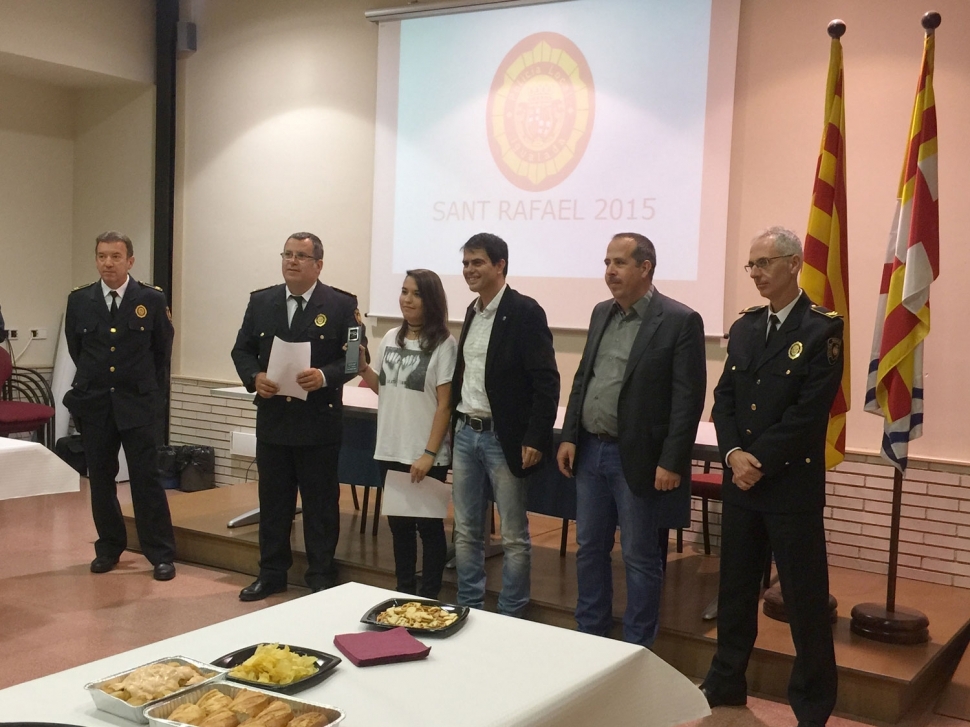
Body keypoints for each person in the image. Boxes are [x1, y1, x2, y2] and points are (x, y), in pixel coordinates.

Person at [700, 227, 843, 727]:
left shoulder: (821, 329)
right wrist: (733, 453)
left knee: (805, 602)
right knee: (735, 593)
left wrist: (754, 461)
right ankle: (725, 682)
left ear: (794, 263)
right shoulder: (745, 327)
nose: (756, 273)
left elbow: (808, 415)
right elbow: (724, 398)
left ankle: (813, 705)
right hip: (743, 484)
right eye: (752, 265)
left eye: (765, 263)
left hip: (788, 488)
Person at [556, 232, 706, 647]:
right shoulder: (600, 312)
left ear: (645, 267)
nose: (610, 271)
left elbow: (688, 400)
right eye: (607, 262)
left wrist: (672, 461)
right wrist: (569, 435)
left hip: (637, 457)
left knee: (639, 555)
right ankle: (591, 635)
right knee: (590, 547)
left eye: (619, 263)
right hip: (590, 449)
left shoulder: (679, 320)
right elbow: (584, 378)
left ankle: (638, 646)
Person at [231, 231, 364, 601]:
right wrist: (254, 377)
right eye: (287, 254)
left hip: (318, 423)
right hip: (274, 421)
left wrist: (324, 376)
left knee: (320, 507)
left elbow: (354, 358)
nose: (291, 261)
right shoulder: (262, 301)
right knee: (274, 504)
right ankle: (271, 574)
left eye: (301, 256)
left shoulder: (341, 304)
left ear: (318, 265)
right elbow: (241, 350)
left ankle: (321, 576)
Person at [450, 232, 559, 617]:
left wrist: (536, 437)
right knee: (466, 531)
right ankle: (468, 606)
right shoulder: (472, 311)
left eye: (477, 262)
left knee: (513, 535)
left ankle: (512, 612)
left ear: (500, 265)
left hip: (503, 437)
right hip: (466, 433)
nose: (469, 270)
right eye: (465, 263)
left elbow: (546, 381)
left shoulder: (525, 311)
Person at [63, 231, 177, 580]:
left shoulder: (151, 299)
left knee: (146, 479)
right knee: (100, 479)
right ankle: (109, 548)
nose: (108, 263)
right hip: (95, 403)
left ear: (130, 261)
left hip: (137, 403)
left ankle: (160, 553)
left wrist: (147, 392)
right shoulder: (80, 299)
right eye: (102, 256)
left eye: (115, 256)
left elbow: (161, 352)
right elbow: (77, 349)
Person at [357, 269, 457, 598]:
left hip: (424, 453)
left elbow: (445, 405)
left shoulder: (444, 344)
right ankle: (404, 592)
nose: (407, 299)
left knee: (428, 528)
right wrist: (363, 368)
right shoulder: (390, 338)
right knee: (399, 528)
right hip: (390, 448)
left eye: (416, 294)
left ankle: (428, 597)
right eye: (403, 291)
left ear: (431, 300)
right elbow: (384, 388)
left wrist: (429, 454)